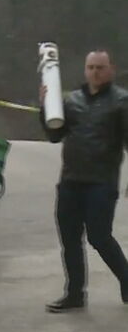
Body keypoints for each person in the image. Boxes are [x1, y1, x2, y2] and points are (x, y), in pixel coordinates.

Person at [39, 49, 128, 312]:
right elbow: (55, 136)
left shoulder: (122, 102)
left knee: (100, 237)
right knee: (69, 238)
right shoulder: (71, 100)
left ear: (111, 69)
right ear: (85, 70)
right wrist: (44, 108)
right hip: (71, 180)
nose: (95, 72)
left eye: (100, 67)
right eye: (91, 67)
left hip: (102, 181)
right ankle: (75, 293)